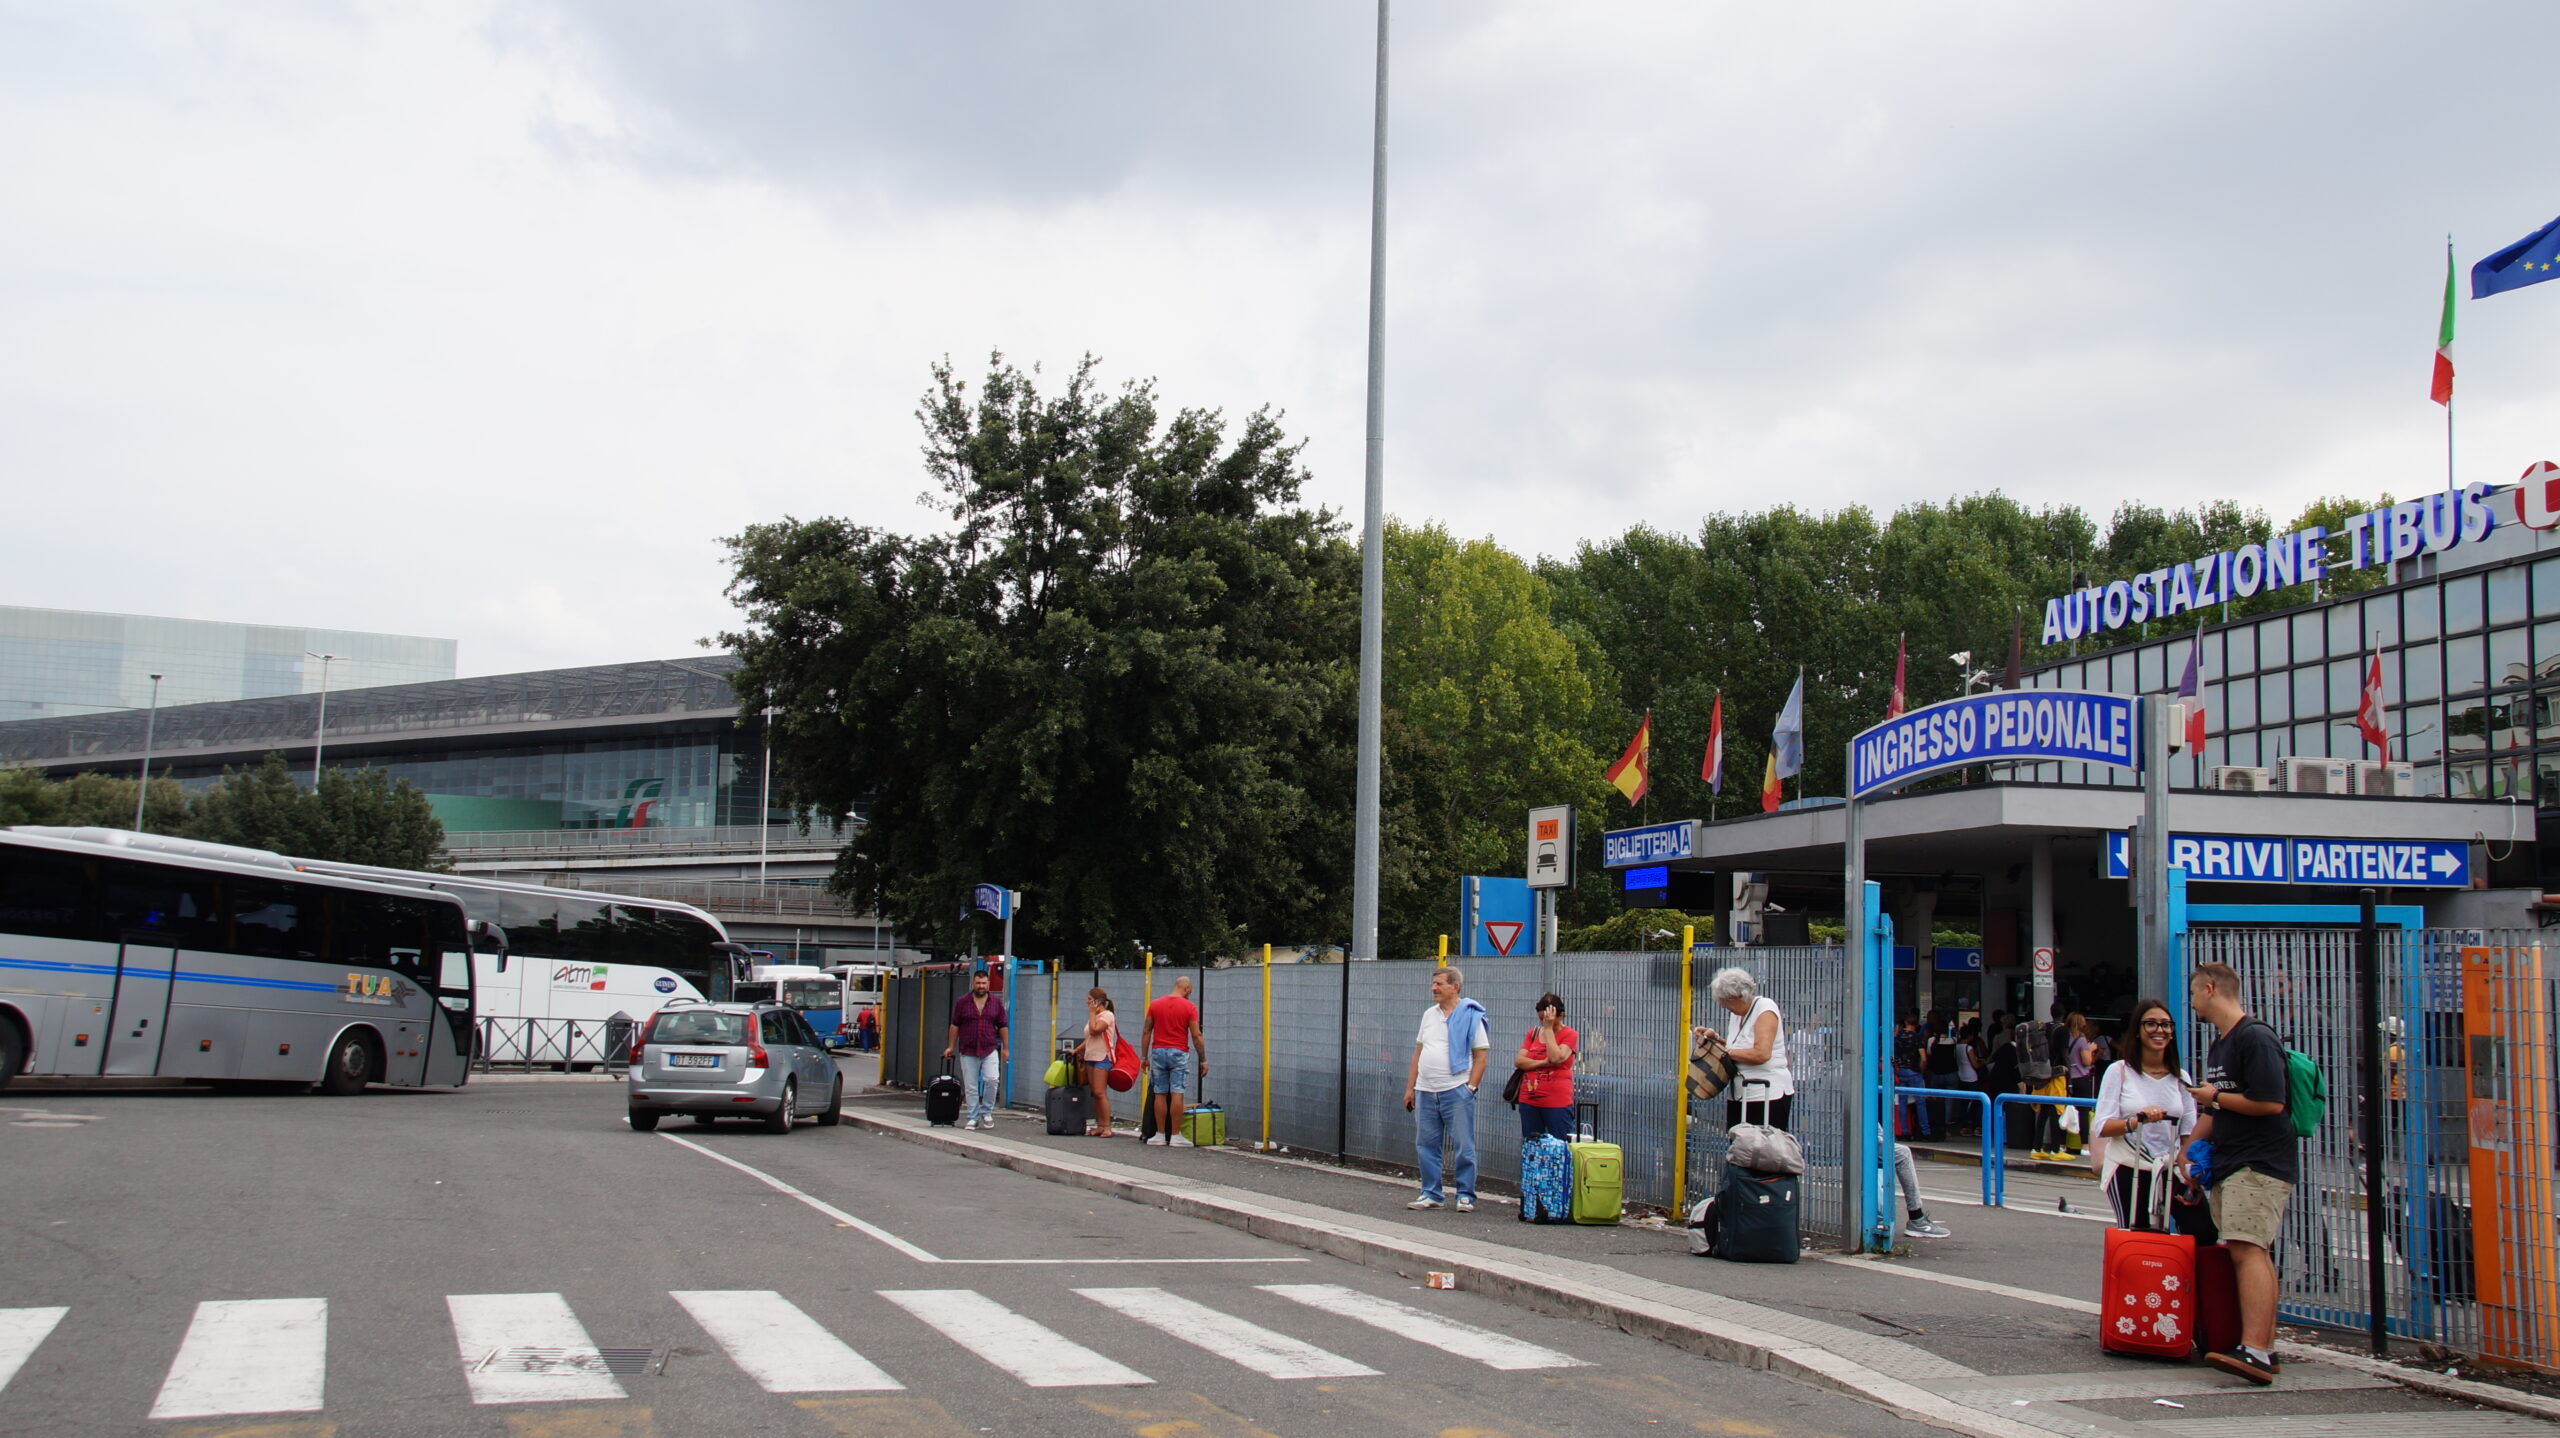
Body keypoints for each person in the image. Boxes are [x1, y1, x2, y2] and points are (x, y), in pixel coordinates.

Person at [2188, 961, 2298, 1386]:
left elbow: (2271, 1102)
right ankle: (2260, 1347)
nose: (2194, 1001)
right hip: (2231, 1159)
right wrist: (2191, 1146)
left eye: (2196, 992)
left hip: (2260, 1161)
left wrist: (2214, 1095)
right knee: (2247, 1248)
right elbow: (2219, 1106)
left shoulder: (2255, 1037)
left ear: (2212, 989)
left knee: (2248, 1248)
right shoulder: (2221, 1045)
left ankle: (2255, 1348)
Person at [2093, 997, 2197, 1227]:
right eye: (2151, 1023)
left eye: (2166, 1024)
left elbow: (2189, 1132)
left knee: (2201, 1229)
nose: (2159, 1030)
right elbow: (2102, 1126)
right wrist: (2136, 1120)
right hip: (2129, 1166)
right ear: (2138, 1031)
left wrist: (2189, 1169)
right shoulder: (2119, 1071)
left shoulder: (2181, 1078)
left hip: (2170, 1169)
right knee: (2138, 1237)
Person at [1402, 965, 1490, 1211]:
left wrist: (1470, 1088)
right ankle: (1431, 1192)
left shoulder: (1471, 1016)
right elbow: (1418, 1053)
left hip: (1456, 1089)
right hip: (1426, 1090)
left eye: (1439, 984)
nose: (1434, 988)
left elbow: (1481, 1057)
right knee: (1426, 1144)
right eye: (1434, 984)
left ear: (1455, 987)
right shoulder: (1429, 1015)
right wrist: (1411, 1088)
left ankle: (1465, 1194)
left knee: (1463, 1144)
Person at [1696, 966, 1791, 1131]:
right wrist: (1716, 1040)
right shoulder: (1737, 1014)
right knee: (1740, 1149)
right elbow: (1739, 1048)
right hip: (1740, 1094)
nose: (1723, 1006)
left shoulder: (1764, 1008)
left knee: (1762, 1150)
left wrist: (1724, 1053)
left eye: (1725, 1001)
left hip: (1766, 1093)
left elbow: (1761, 1054)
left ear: (1737, 996)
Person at [1143, 974, 1208, 1146]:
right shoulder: (1190, 1007)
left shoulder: (1155, 1004)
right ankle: (1175, 1135)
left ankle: (1159, 1134)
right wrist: (1203, 1059)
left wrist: (1144, 1057)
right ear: (1186, 988)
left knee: (1160, 1093)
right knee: (1177, 1093)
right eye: (1190, 991)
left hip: (1157, 1051)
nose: (1189, 994)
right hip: (1178, 1052)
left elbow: (1146, 1031)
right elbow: (1196, 1035)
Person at [941, 969, 1008, 1131]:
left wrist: (1006, 1048)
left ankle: (986, 1111)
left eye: (984, 983)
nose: (981, 986)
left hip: (989, 1047)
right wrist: (950, 1046)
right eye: (978, 983)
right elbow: (954, 1025)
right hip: (968, 1048)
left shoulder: (995, 1002)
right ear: (973, 983)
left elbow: (1003, 1026)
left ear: (988, 984)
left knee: (992, 1079)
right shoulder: (962, 1002)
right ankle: (973, 1117)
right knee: (971, 1086)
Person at [1515, 992, 1578, 1142]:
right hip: (1529, 1100)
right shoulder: (1533, 1033)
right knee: (1531, 1145)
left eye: (1550, 1019)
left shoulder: (1569, 1034)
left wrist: (1549, 1030)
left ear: (1561, 1015)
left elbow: (1556, 1057)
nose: (1545, 1022)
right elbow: (1519, 1061)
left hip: (1556, 1101)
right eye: (1542, 1019)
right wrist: (1544, 1062)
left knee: (1560, 1145)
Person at [1078, 988, 1120, 1138]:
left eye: (1089, 999)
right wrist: (1077, 1051)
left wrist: (1091, 1013)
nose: (1087, 1002)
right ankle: (1099, 1125)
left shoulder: (1107, 1015)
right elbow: (1089, 1038)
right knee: (1094, 1093)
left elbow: (1095, 1030)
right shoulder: (1095, 1016)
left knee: (1100, 1092)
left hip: (1103, 1057)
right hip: (1091, 1056)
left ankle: (1107, 1126)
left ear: (1097, 1001)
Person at [2064, 1012, 2100, 1158]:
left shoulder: (2064, 1038)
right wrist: (2091, 1050)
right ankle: (2085, 1145)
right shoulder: (2081, 1040)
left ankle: (2061, 1144)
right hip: (2081, 1078)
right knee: (2083, 1112)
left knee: (2064, 1110)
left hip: (2066, 1078)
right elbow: (2086, 1062)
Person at [1891, 1014, 1930, 1138]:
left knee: (1902, 1102)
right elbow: (1923, 1058)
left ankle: (1904, 1131)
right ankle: (1925, 1131)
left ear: (1905, 1023)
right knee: (1920, 1102)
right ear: (1917, 1024)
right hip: (1914, 1072)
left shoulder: (1897, 1037)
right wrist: (1922, 1071)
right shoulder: (1917, 1037)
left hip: (1900, 1072)